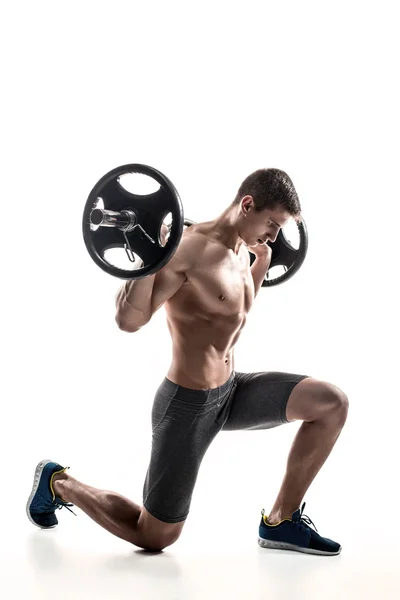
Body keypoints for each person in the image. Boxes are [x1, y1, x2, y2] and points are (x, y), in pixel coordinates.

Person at [27, 168, 348, 556]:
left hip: (232, 391)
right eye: (272, 224)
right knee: (155, 536)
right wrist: (151, 259)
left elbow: (231, 310)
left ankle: (281, 521)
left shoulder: (249, 253)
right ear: (247, 204)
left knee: (331, 403)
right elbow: (128, 321)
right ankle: (57, 482)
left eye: (280, 229)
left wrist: (261, 258)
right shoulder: (184, 251)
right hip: (187, 406)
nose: (275, 237)